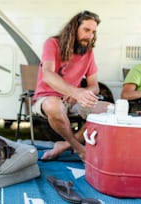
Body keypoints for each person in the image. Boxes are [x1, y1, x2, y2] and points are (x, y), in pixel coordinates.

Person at [32, 10, 111, 161]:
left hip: (72, 100)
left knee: (107, 109)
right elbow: (47, 74)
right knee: (55, 106)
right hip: (46, 99)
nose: (90, 36)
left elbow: (94, 86)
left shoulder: (88, 53)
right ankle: (79, 148)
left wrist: (81, 93)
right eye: (86, 30)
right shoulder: (53, 43)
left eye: (93, 32)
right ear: (74, 28)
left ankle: (64, 145)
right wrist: (75, 92)